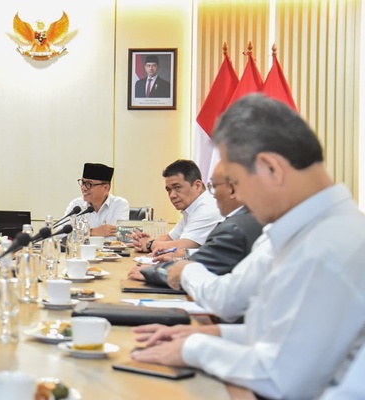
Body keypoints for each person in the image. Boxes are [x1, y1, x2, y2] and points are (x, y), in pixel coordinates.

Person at [131, 94, 365, 399]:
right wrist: (204, 333)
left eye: (237, 183)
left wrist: (193, 347)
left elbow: (280, 377)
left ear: (271, 168)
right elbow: (279, 333)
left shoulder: (329, 246)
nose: (237, 197)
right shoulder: (309, 230)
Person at [128, 162, 262, 287]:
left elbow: (202, 263)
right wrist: (183, 254)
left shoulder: (231, 224)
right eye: (168, 190)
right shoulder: (246, 218)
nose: (213, 195)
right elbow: (179, 242)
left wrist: (153, 271)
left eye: (214, 187)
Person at [130, 159, 222, 254]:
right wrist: (143, 242)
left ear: (197, 186)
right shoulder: (191, 208)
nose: (172, 195)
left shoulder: (207, 208)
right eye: (169, 190)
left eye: (177, 187)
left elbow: (182, 246)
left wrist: (150, 244)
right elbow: (170, 237)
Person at [63, 163, 129, 236]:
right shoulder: (76, 205)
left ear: (105, 188)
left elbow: (119, 235)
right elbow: (61, 233)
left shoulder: (119, 204)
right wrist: (91, 232)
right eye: (82, 183)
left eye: (88, 184)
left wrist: (81, 233)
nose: (83, 188)